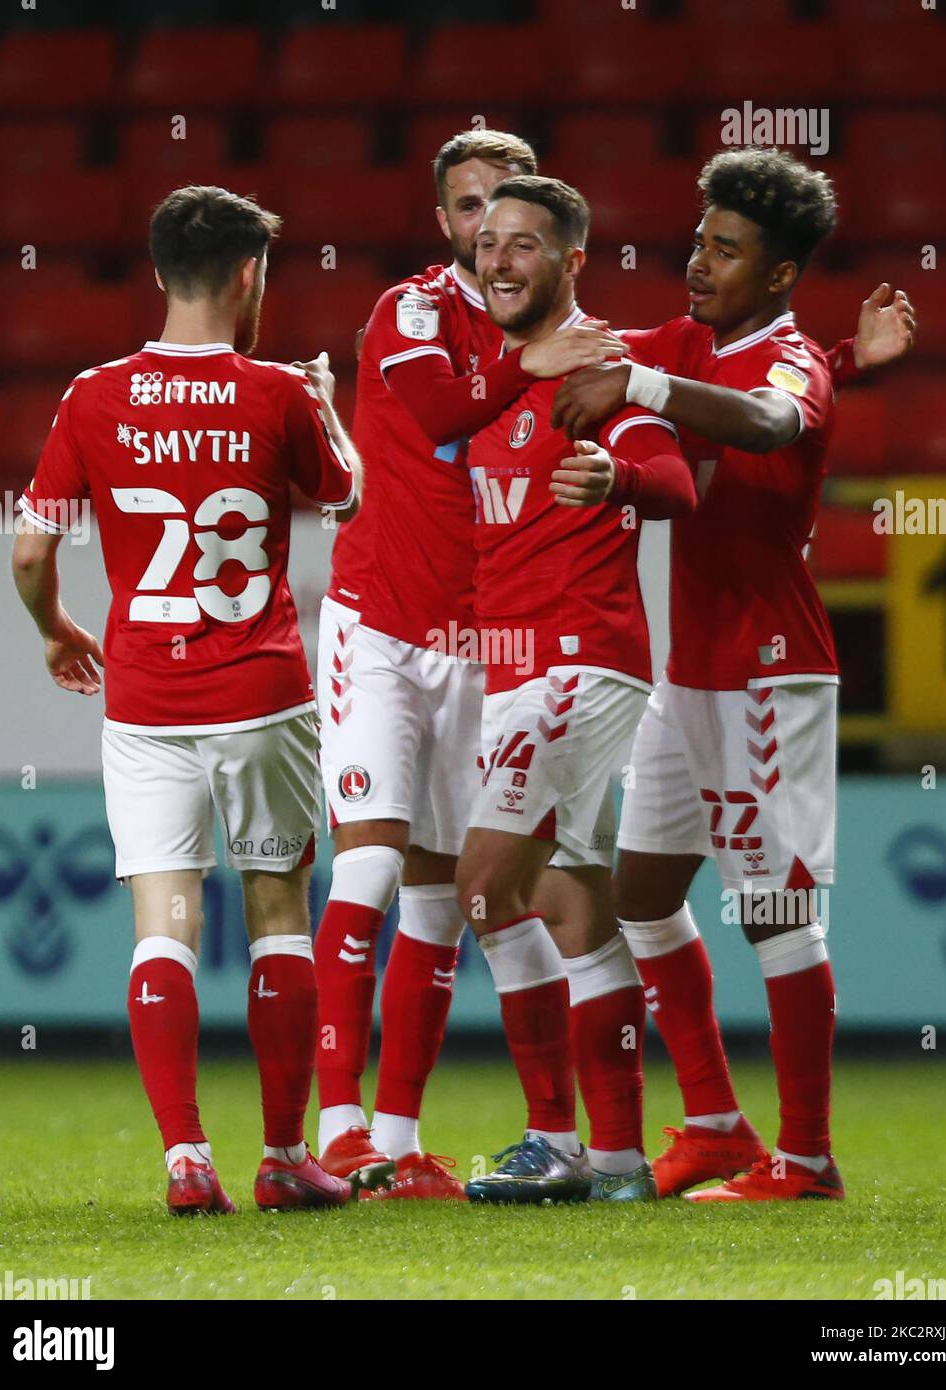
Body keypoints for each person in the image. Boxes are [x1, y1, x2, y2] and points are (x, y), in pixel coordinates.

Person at [551, 148, 915, 1201]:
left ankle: (806, 1159)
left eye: (726, 248)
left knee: (774, 912)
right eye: (699, 240)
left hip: (768, 671)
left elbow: (766, 416)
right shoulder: (701, 341)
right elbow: (613, 356)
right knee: (642, 894)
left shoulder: (787, 359)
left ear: (781, 273)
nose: (698, 262)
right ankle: (714, 1122)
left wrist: (651, 383)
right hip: (689, 674)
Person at [10, 184, 370, 1215]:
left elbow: (32, 550)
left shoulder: (91, 393)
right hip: (261, 692)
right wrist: (328, 403)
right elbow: (347, 495)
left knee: (162, 926)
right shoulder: (278, 393)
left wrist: (56, 629)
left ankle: (184, 1158)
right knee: (276, 914)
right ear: (250, 275)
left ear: (160, 272)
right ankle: (283, 1155)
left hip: (147, 697)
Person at [312, 131, 625, 1198]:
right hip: (381, 626)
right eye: (467, 213)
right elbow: (446, 413)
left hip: (488, 644)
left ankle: (401, 1142)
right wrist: (524, 365)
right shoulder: (409, 311)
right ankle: (339, 1125)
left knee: (456, 903)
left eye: (508, 215)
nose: (489, 238)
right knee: (365, 861)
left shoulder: (570, 339)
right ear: (443, 222)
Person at [455, 175, 698, 1203]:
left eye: (525, 244)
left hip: (575, 662)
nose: (500, 260)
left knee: (482, 887)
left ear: (571, 261)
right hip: (517, 671)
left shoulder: (600, 364)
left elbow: (676, 482)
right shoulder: (487, 379)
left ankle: (553, 1136)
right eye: (488, 241)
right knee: (572, 914)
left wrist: (619, 481)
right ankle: (618, 1159)